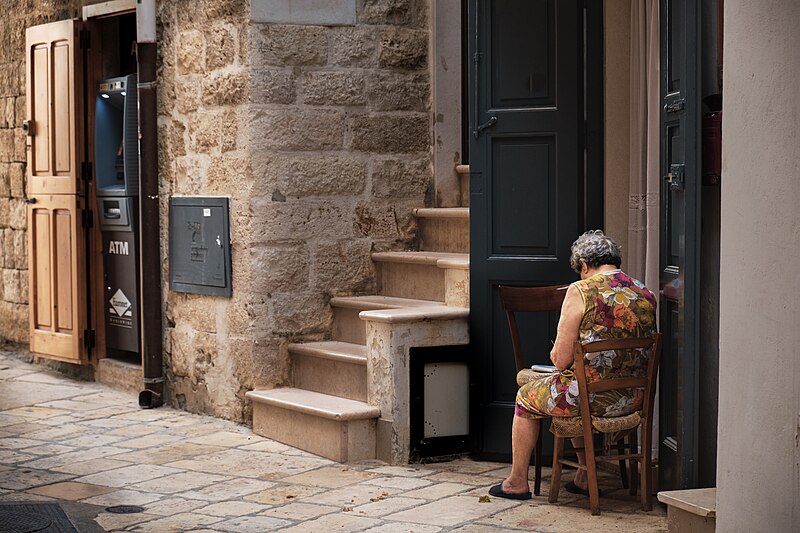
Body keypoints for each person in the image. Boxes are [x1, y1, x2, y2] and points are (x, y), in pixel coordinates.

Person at [489, 230, 657, 500]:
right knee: (576, 385)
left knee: (526, 397)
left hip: (590, 399)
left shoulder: (581, 290)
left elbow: (560, 359)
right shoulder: (645, 292)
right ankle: (584, 476)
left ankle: (517, 481)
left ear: (584, 265)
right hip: (633, 399)